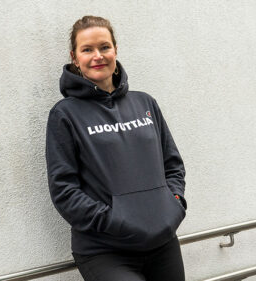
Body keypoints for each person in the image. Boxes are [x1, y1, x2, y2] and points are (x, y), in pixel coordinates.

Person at [45, 15, 188, 281]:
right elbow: (64, 189)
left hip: (162, 242)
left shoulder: (145, 103)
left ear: (115, 50)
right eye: (87, 49)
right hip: (105, 250)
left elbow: (173, 165)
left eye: (104, 47)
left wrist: (174, 203)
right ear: (75, 58)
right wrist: (113, 221)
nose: (97, 56)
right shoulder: (65, 115)